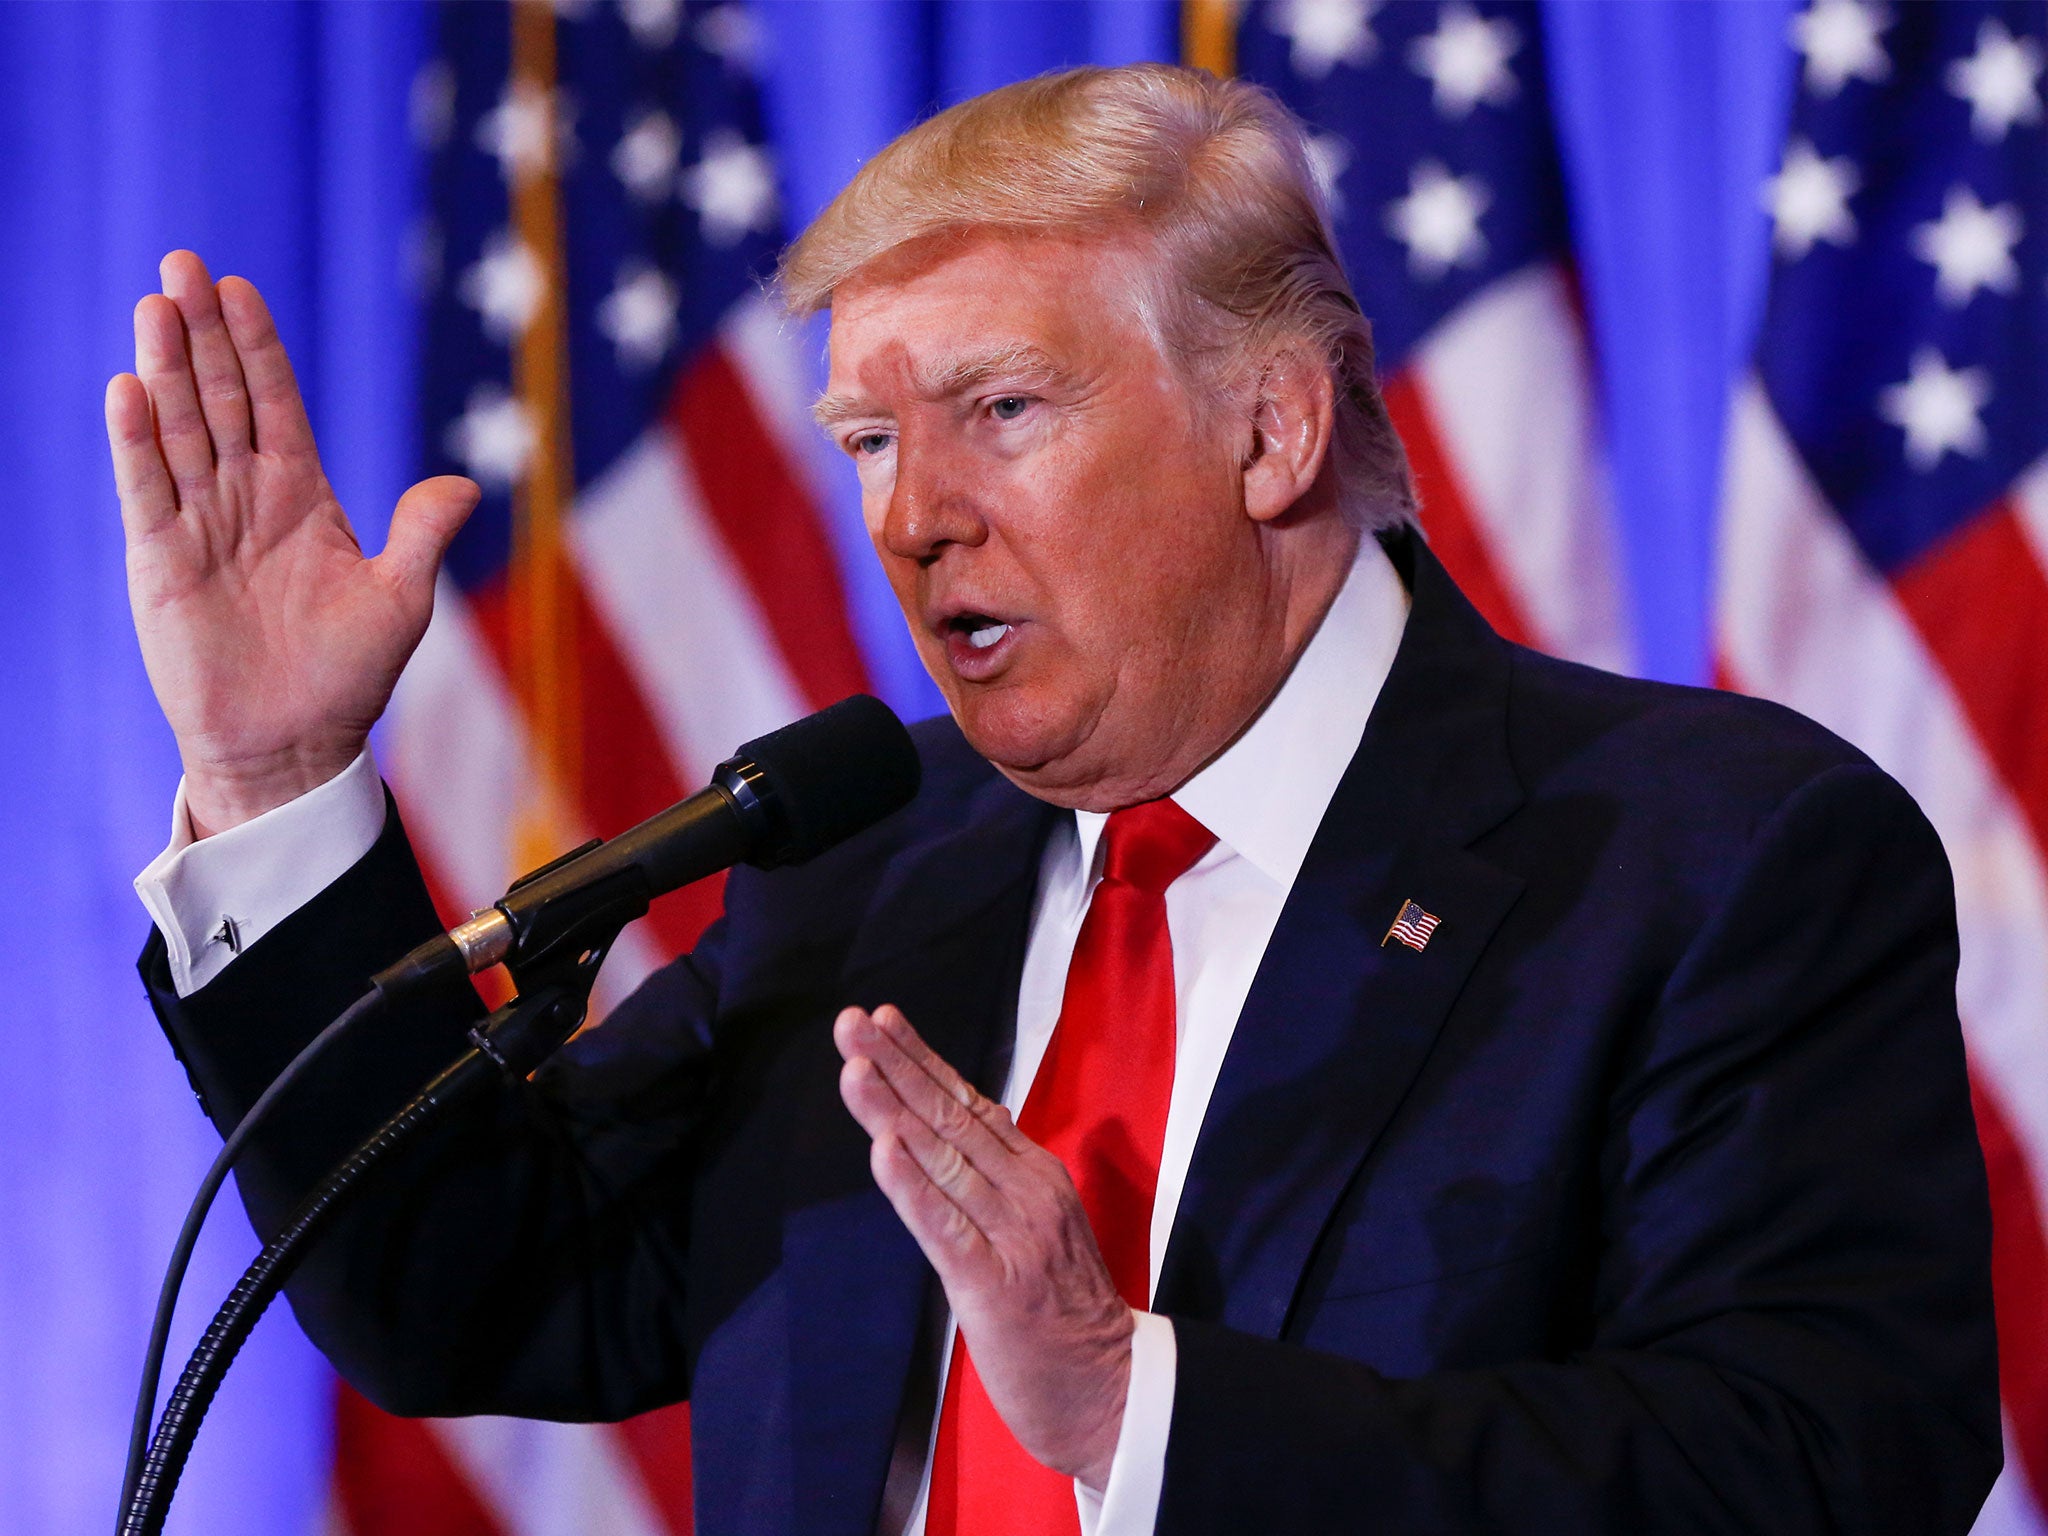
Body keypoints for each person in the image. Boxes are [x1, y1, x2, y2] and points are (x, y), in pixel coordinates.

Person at [112, 64, 1997, 1536]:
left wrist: (1131, 1410)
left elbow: (1823, 1470)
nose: (912, 514)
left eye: (1001, 409)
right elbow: (479, 1285)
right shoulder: (865, 867)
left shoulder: (1707, 853)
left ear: (1273, 427)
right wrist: (276, 778)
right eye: (868, 437)